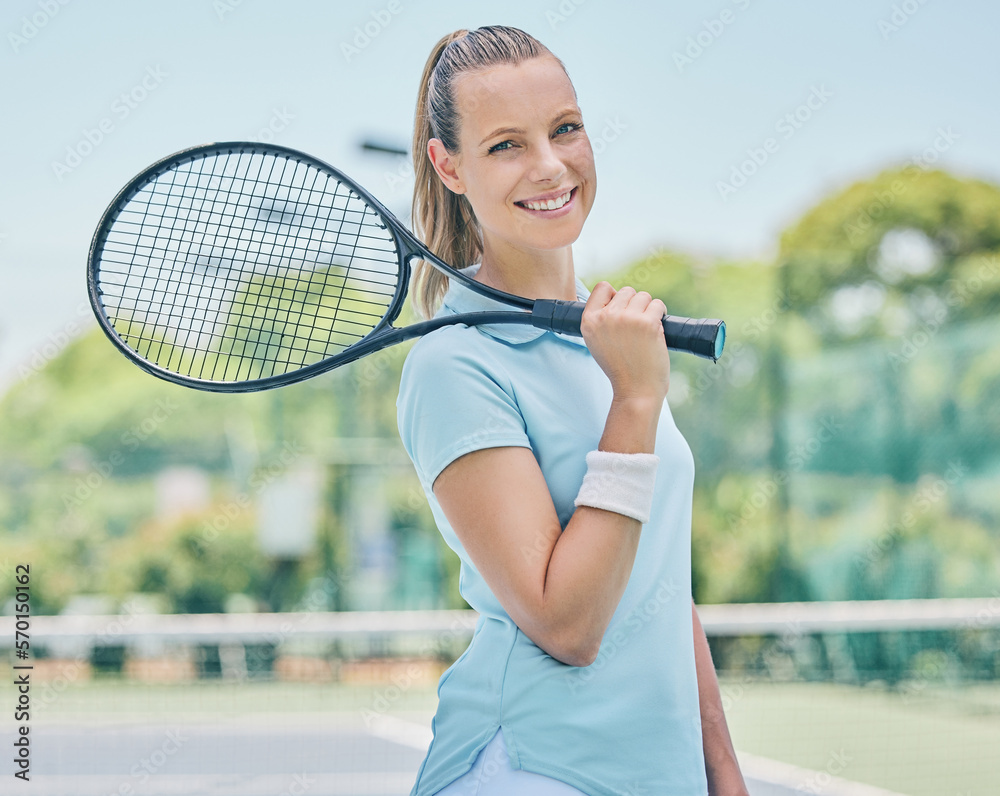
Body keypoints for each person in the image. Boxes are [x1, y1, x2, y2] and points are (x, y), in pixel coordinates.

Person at [396, 25, 749, 796]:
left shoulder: (612, 341)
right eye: (506, 146)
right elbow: (568, 625)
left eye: (566, 129)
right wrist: (636, 398)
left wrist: (723, 773)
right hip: (532, 769)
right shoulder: (454, 366)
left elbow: (656, 578)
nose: (551, 166)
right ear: (447, 166)